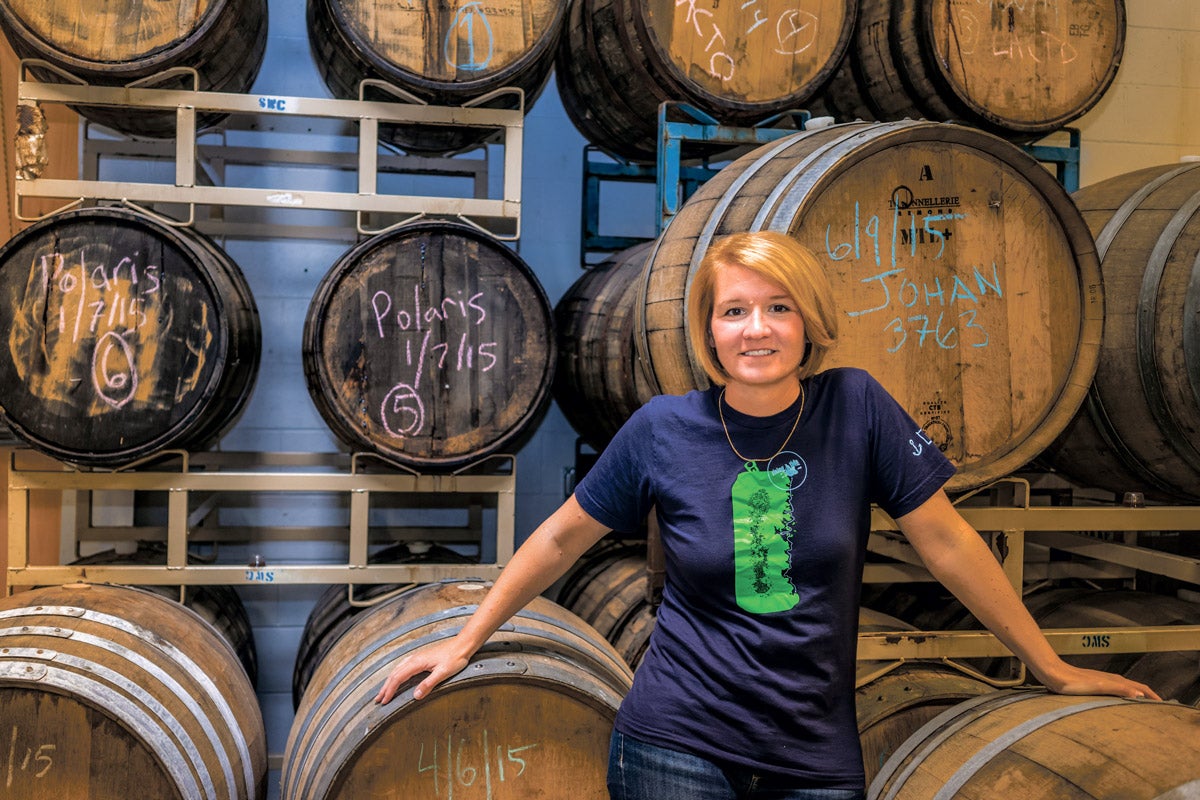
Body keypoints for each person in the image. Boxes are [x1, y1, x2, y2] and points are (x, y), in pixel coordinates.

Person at [374, 231, 1159, 800]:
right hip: (676, 745)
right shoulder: (662, 429)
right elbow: (558, 539)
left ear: (809, 323)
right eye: (735, 311)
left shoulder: (857, 408)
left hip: (813, 753)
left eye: (777, 307)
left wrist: (1049, 664)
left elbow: (950, 546)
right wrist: (467, 639)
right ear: (709, 332)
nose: (756, 329)